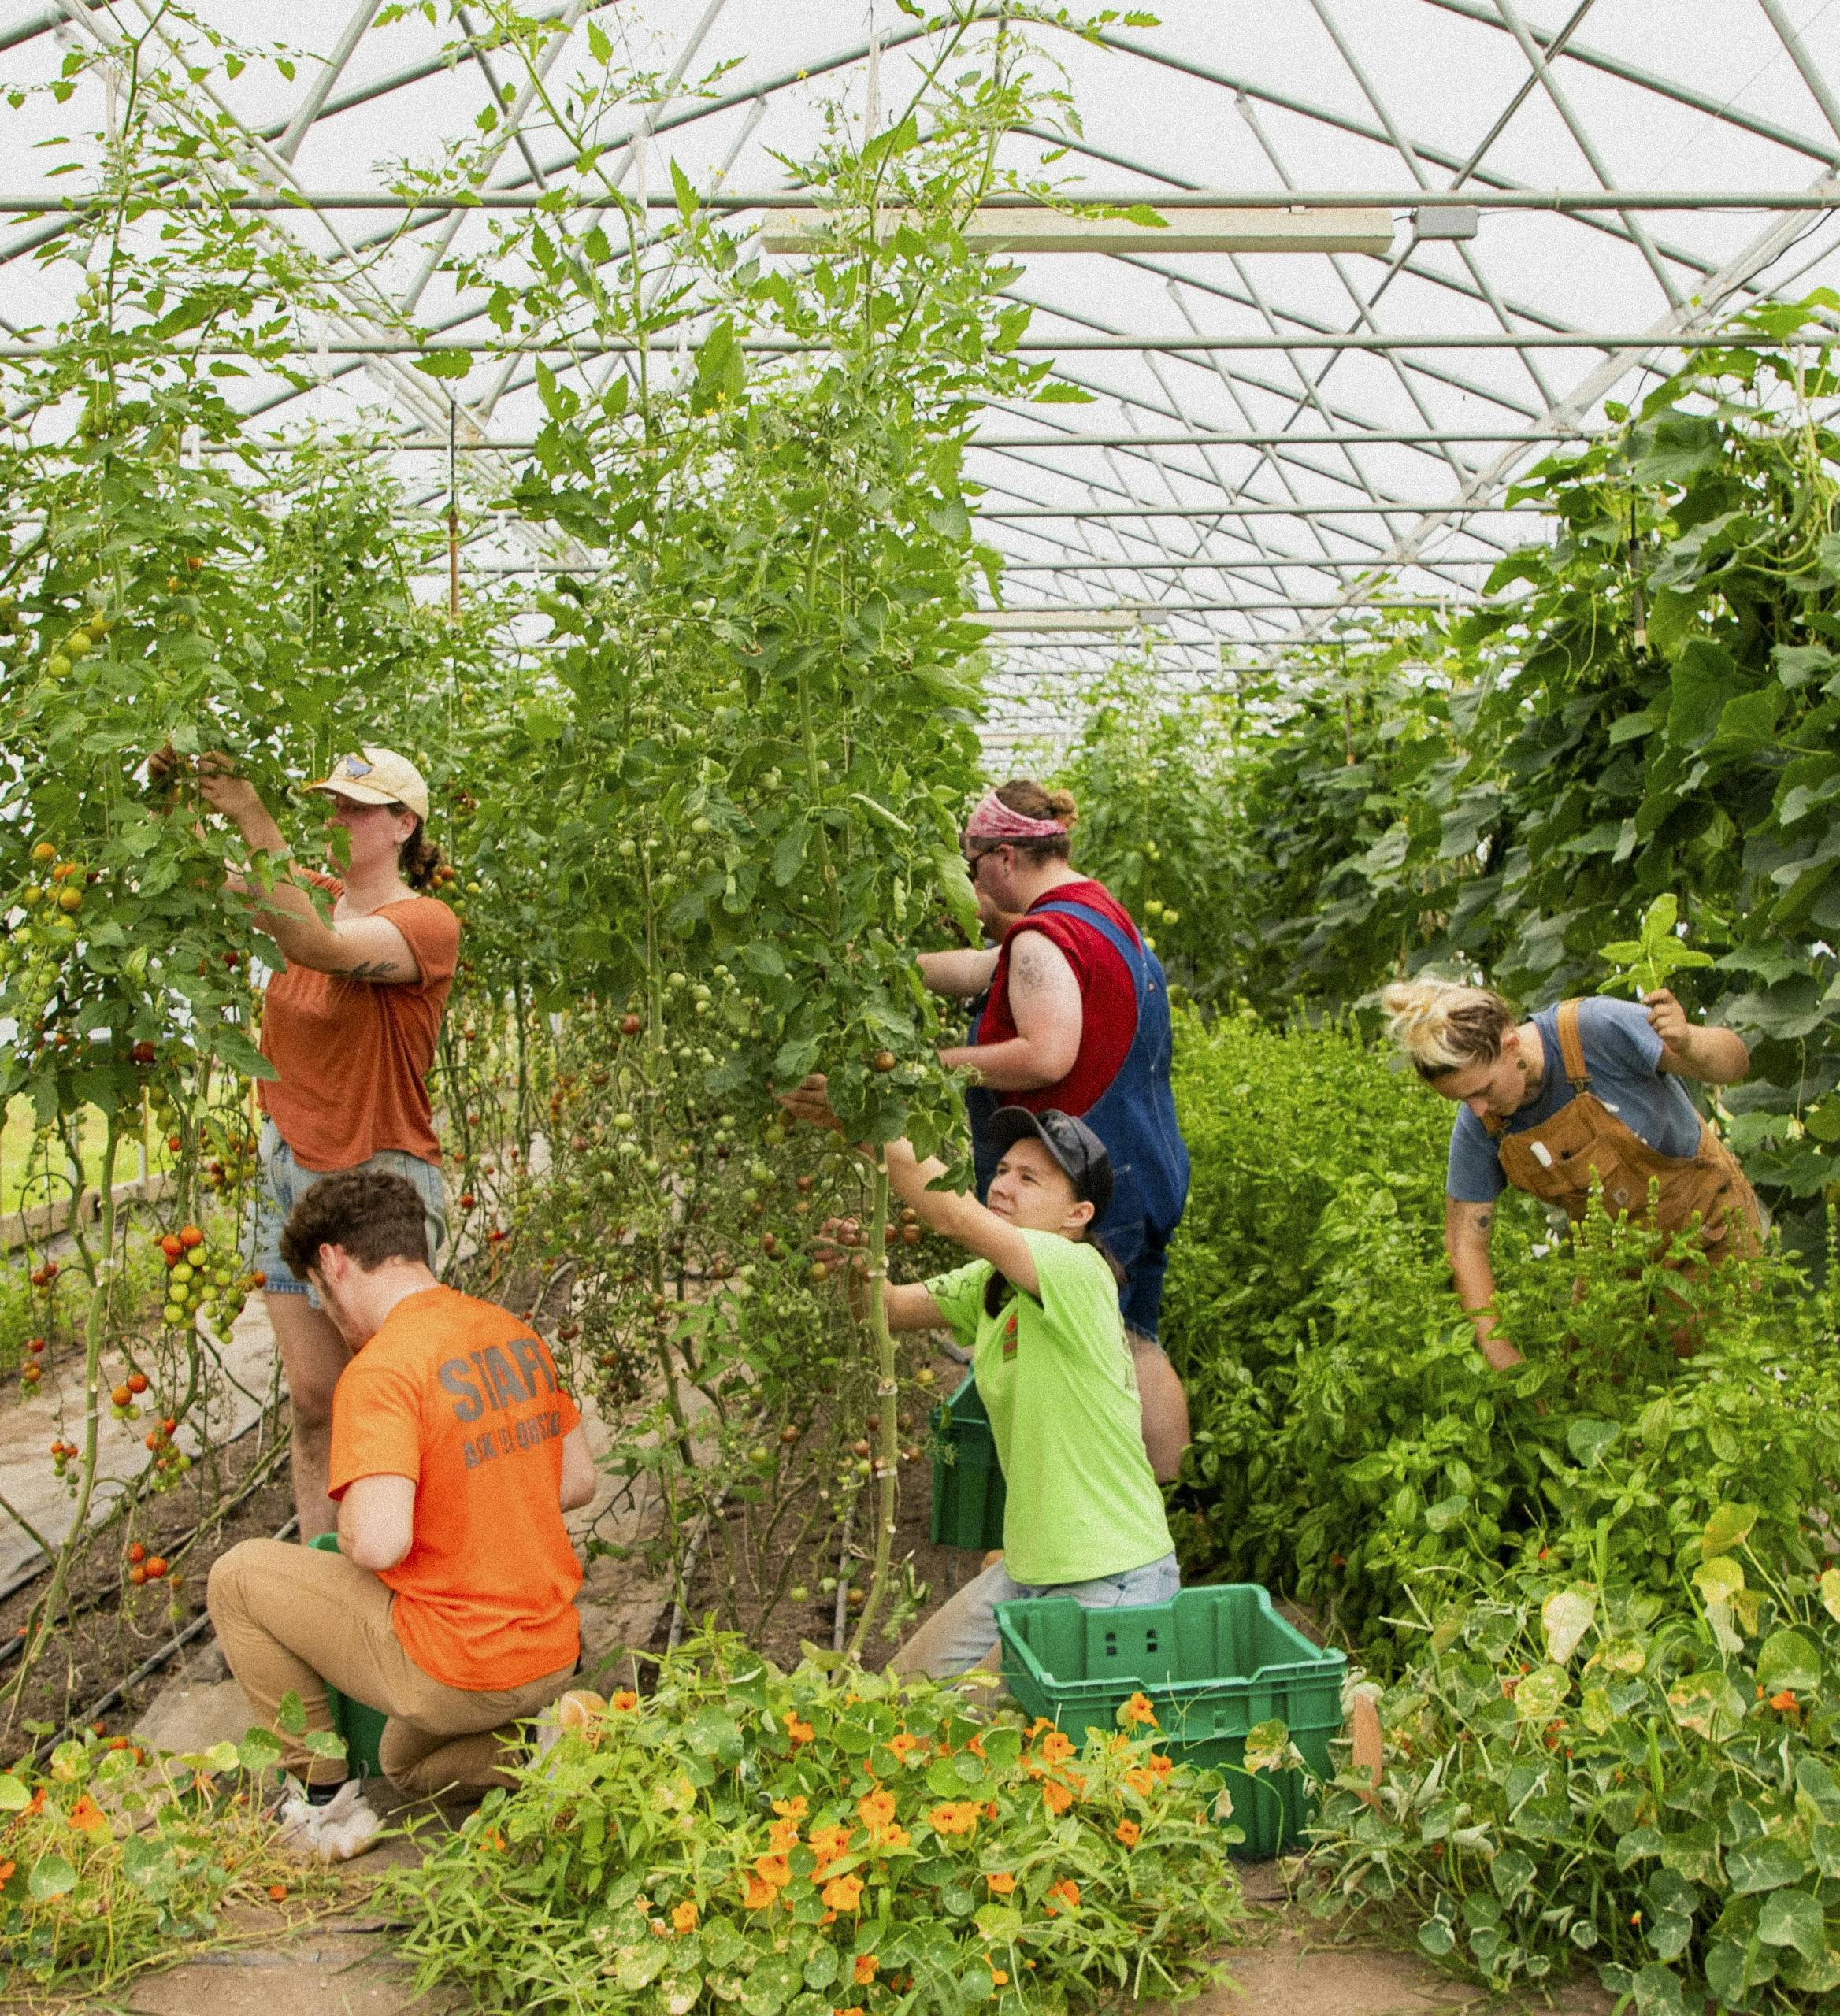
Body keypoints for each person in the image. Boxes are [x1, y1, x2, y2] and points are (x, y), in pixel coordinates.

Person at [207, 1169, 596, 1857]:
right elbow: (576, 1482)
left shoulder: (384, 1368)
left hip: (457, 1668)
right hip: (549, 1651)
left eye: (320, 1298)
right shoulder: (511, 1332)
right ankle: (547, 1744)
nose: (328, 1317)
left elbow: (379, 1542)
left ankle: (323, 1806)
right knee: (405, 1764)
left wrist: (361, 1519)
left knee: (238, 1577)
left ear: (333, 1263)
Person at [780, 1082, 1178, 1677]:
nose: (1002, 1184)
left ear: (1078, 1215)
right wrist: (852, 1264)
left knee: (980, 1731)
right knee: (903, 1691)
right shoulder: (993, 1286)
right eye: (1005, 1169)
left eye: (1029, 1179)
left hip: (1112, 1574)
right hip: (1030, 1567)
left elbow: (953, 1214)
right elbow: (885, 1308)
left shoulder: (1078, 1273)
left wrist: (868, 1122)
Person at [173, 744, 458, 1541]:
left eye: (356, 806)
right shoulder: (309, 895)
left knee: (389, 1397)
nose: (337, 818)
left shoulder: (423, 923)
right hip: (285, 1169)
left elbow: (317, 946)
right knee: (313, 1400)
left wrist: (252, 814)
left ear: (404, 824)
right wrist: (174, 799)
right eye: (329, 804)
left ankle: (420, 1583)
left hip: (375, 1177)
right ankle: (326, 1579)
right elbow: (203, 875)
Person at [919, 780, 1191, 1478]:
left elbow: (1047, 1053)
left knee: (1092, 1354)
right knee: (1135, 1336)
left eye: (974, 866)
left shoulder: (1043, 936)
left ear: (1005, 857)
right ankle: (1168, 1503)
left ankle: (1106, 1518)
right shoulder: (1097, 915)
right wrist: (896, 974)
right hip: (1143, 1161)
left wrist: (934, 1065)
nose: (974, 883)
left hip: (1088, 1179)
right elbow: (989, 969)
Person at [1381, 980, 1761, 1369]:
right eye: (1464, 1099)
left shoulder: (1594, 1030)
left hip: (1707, 1227)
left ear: (1510, 1042)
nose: (1478, 1110)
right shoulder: (1481, 1126)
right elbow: (1465, 1247)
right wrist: (1504, 1358)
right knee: (1592, 1380)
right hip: (1612, 1257)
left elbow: (1735, 1064)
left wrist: (1691, 1045)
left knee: (1711, 1363)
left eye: (1484, 1089)